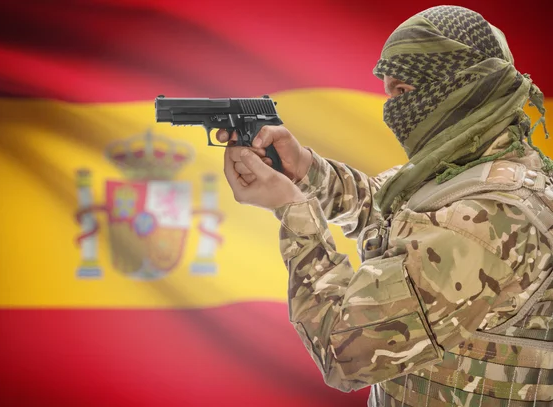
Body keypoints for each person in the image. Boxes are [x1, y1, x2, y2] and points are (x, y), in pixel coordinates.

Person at [217, 5, 553, 407]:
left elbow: (345, 354)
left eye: (404, 92)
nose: (392, 110)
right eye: (389, 92)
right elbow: (385, 210)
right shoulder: (470, 170)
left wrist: (293, 209)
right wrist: (304, 168)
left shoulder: (487, 219)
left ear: (462, 84)